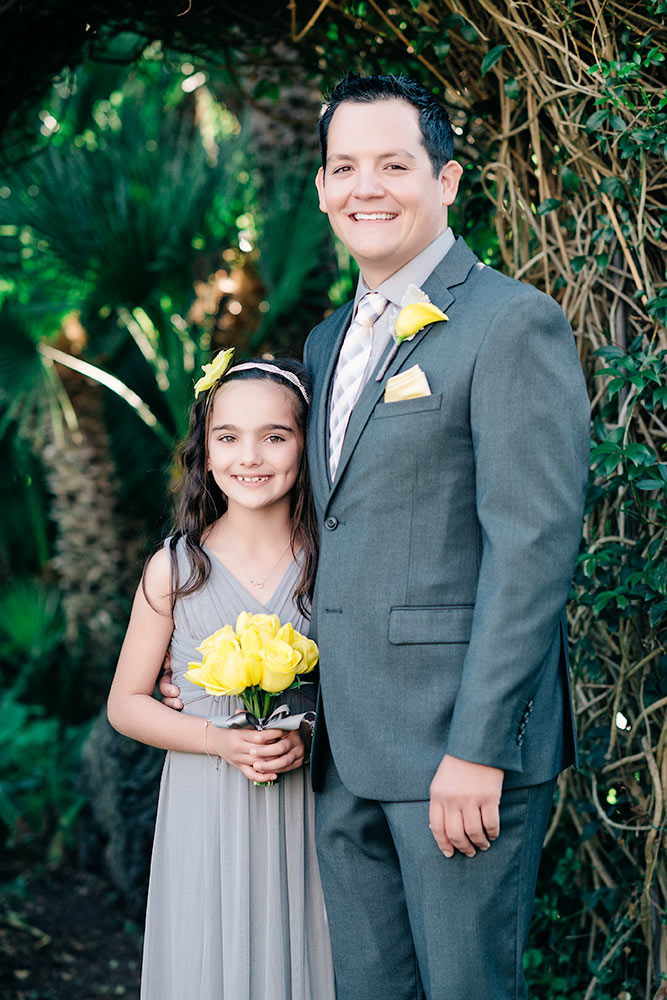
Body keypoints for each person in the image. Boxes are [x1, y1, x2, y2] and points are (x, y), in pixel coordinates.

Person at [162, 74, 590, 999]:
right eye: (344, 167)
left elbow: (531, 548)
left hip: (454, 752)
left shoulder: (510, 323)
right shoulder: (322, 343)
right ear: (319, 188)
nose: (366, 187)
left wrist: (480, 748)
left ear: (446, 180)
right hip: (340, 747)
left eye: (393, 164)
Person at [107, 356, 335, 1000]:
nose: (250, 456)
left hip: (311, 804)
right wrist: (215, 738)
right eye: (228, 437)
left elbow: (367, 682)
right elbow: (126, 703)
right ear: (204, 452)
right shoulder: (175, 570)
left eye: (276, 435)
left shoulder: (333, 563)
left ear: (307, 444)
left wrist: (311, 731)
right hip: (207, 800)